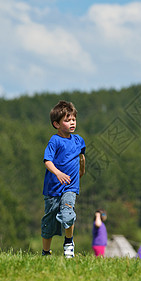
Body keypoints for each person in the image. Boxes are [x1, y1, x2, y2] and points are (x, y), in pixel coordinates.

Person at [41, 100, 86, 258]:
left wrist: (82, 168)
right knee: (49, 223)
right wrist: (58, 173)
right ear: (56, 124)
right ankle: (46, 252)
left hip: (70, 187)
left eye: (73, 119)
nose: (72, 122)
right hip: (53, 189)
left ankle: (68, 243)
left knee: (68, 213)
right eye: (67, 120)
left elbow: (81, 156)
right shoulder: (55, 140)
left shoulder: (79, 140)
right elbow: (47, 161)